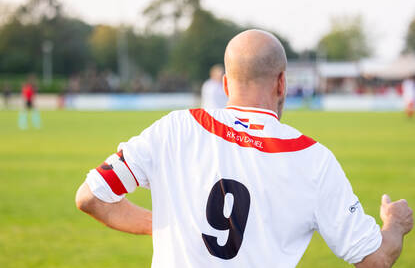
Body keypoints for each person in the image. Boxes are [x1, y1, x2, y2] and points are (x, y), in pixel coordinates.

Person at [75, 30, 413, 268]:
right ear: (282, 83)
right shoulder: (313, 159)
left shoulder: (175, 128)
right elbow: (374, 260)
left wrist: (167, 222)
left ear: (225, 84)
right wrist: (394, 223)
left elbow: (90, 197)